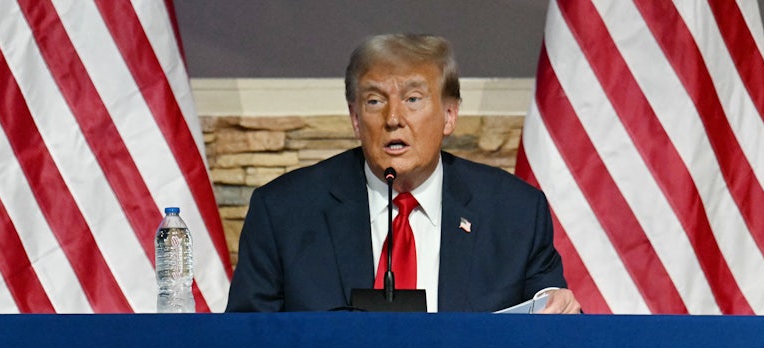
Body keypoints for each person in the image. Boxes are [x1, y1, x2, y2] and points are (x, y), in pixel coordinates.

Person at [226, 34, 581, 314]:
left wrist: (560, 312)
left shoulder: (515, 213)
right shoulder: (284, 212)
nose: (393, 118)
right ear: (355, 119)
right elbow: (245, 347)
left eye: (413, 99)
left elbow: (559, 335)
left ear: (450, 115)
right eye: (375, 101)